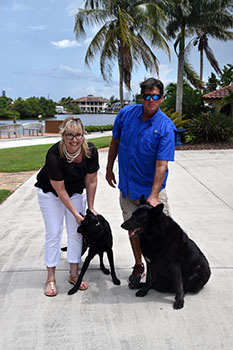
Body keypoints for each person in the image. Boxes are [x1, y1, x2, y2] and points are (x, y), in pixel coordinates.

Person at [105, 77, 176, 288]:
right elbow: (115, 142)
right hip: (128, 188)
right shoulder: (125, 114)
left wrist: (154, 196)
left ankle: (164, 269)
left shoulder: (165, 127)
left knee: (163, 232)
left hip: (152, 191)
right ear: (141, 96)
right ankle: (139, 265)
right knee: (133, 230)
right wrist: (109, 168)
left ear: (161, 98)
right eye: (147, 96)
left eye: (155, 96)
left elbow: (161, 165)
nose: (151, 100)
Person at [35, 116, 99, 296]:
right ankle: (50, 278)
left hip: (76, 192)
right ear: (63, 135)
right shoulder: (54, 154)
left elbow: (91, 181)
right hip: (50, 193)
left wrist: (91, 208)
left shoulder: (90, 151)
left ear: (83, 135)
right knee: (54, 232)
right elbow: (60, 190)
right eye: (69, 135)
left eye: (78, 135)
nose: (74, 139)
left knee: (75, 232)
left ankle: (73, 273)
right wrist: (75, 213)